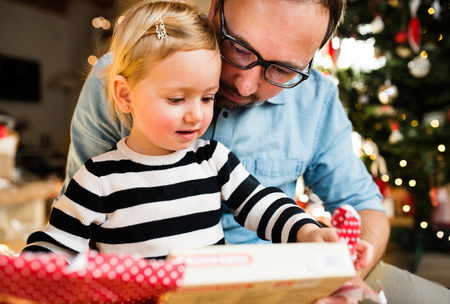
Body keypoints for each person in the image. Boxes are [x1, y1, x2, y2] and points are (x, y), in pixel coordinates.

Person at [61, 0, 450, 303]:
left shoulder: (317, 98)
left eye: (282, 70)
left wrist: (340, 264)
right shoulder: (127, 74)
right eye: (239, 49)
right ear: (215, 8)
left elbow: (361, 202)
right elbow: (79, 230)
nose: (246, 86)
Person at [23, 0, 364, 267]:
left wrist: (306, 231)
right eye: (176, 98)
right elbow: (60, 244)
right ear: (125, 96)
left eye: (207, 97)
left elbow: (261, 204)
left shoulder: (212, 158)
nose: (196, 115)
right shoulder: (98, 177)